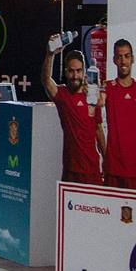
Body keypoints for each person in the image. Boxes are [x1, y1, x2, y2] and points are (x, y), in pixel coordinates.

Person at [43, 40, 103, 184]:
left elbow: (99, 130)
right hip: (71, 171)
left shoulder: (92, 96)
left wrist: (107, 160)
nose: (75, 75)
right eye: (71, 71)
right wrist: (50, 53)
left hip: (92, 170)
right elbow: (46, 80)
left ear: (84, 71)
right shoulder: (63, 95)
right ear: (66, 72)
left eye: (78, 71)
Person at [103, 39, 136, 189]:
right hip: (114, 169)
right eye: (119, 56)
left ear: (133, 58)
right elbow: (97, 102)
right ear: (114, 60)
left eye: (127, 56)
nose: (123, 61)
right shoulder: (108, 87)